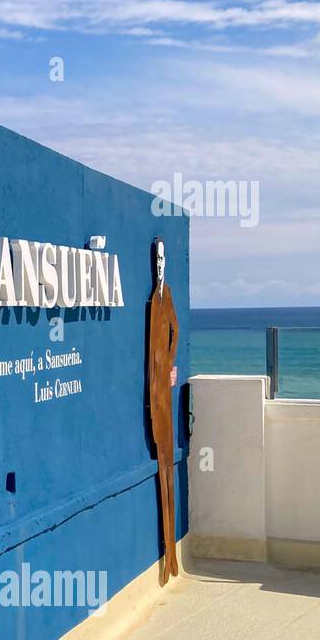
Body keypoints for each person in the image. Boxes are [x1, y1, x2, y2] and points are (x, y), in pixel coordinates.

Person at [146, 238, 179, 585]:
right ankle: (168, 551)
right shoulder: (151, 303)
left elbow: (176, 330)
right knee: (161, 467)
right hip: (154, 398)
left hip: (164, 400)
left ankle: (172, 550)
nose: (159, 266)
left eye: (162, 260)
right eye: (156, 260)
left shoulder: (164, 297)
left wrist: (169, 362)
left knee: (168, 467)